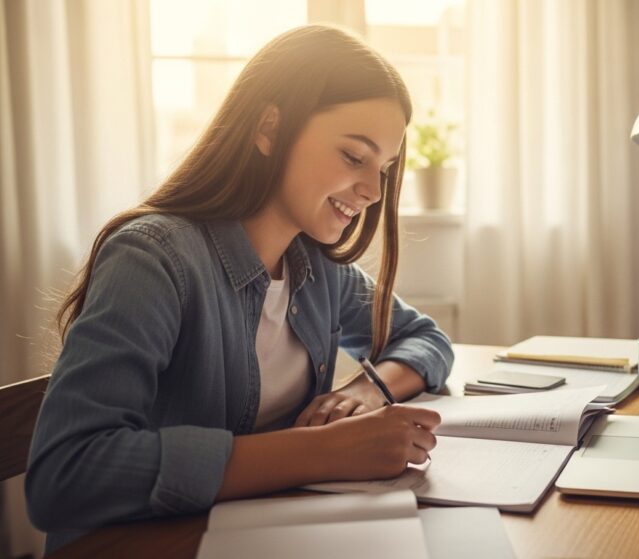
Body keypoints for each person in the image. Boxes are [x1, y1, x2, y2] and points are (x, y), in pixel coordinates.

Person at [25, 25, 452, 553]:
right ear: (269, 128)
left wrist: (362, 393)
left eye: (383, 169)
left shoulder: (317, 269)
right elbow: (65, 477)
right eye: (353, 156)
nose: (371, 191)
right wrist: (323, 450)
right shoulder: (153, 259)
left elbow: (425, 338)